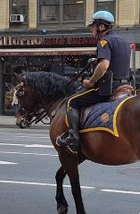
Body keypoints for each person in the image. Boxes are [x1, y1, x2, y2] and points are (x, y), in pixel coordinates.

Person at [56, 10, 131, 153]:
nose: (92, 30)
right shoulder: (124, 41)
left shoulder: (104, 41)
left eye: (93, 26)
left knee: (72, 102)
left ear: (101, 27)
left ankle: (73, 138)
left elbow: (104, 65)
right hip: (125, 85)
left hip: (108, 87)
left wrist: (91, 82)